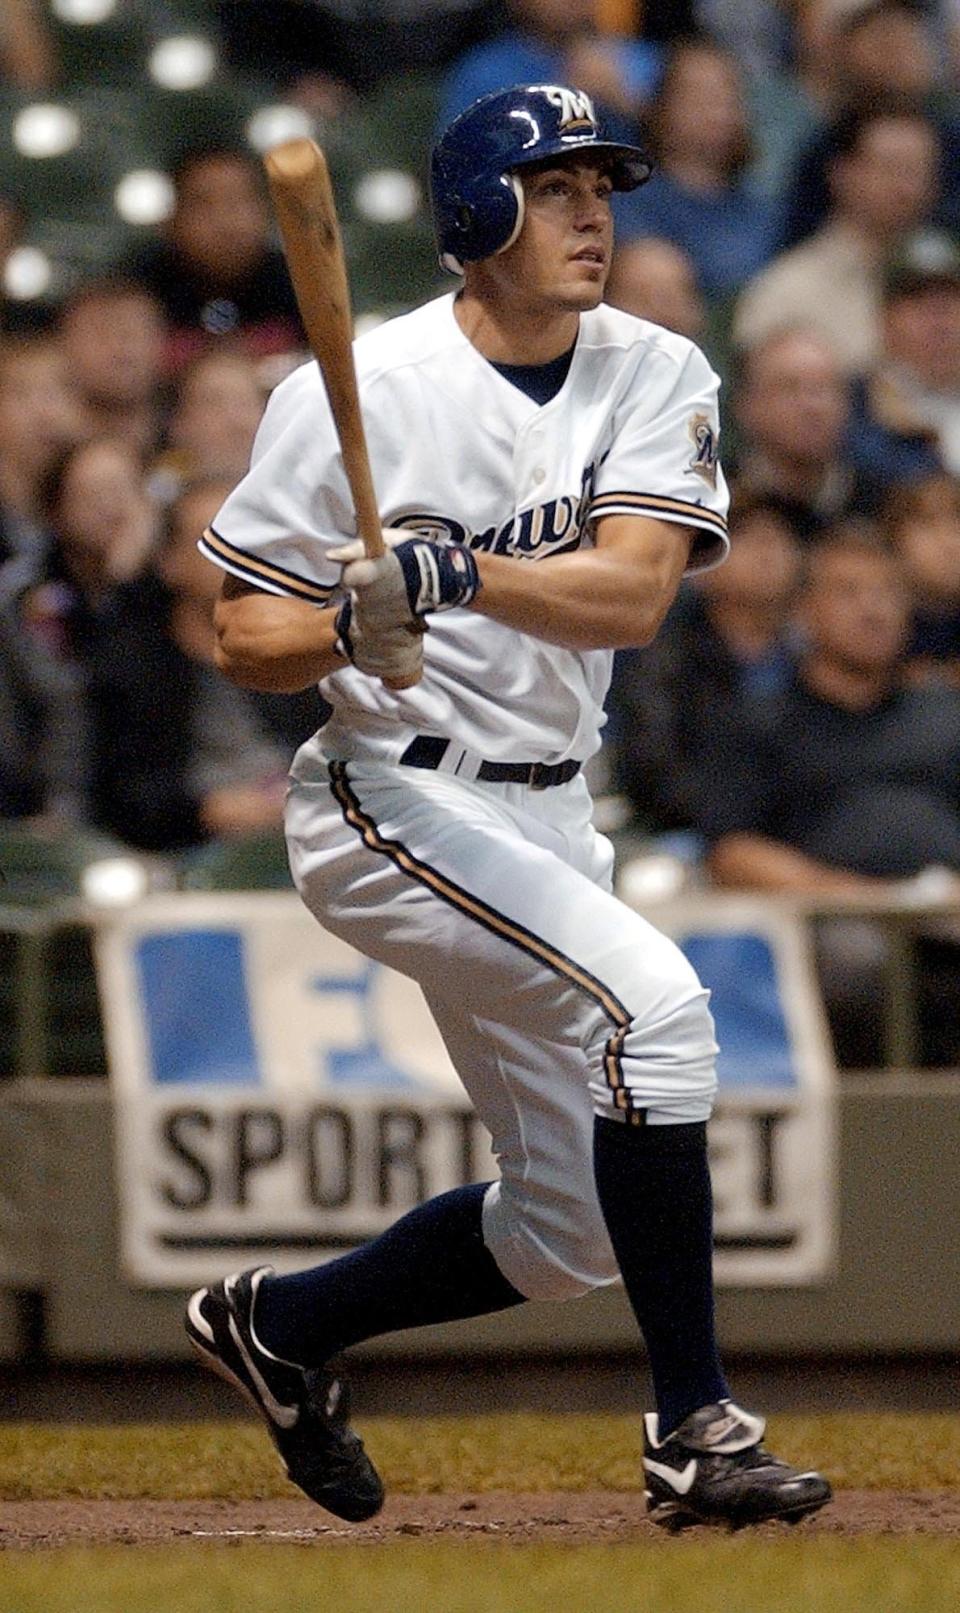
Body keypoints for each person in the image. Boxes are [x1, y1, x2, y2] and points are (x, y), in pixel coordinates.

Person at [184, 84, 831, 1533]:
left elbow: (636, 592)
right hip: (383, 801)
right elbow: (243, 633)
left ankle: (279, 1324)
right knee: (655, 1013)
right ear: (478, 214)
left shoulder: (657, 368)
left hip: (547, 817)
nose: (595, 211)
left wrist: (451, 577)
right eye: (555, 187)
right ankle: (697, 1431)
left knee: (570, 1233)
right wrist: (354, 631)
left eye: (606, 185)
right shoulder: (363, 384)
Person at [700, 523, 960, 1068]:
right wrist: (860, 898)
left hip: (949, 911)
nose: (874, 609)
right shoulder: (763, 723)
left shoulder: (945, 714)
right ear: (804, 612)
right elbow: (733, 853)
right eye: (849, 592)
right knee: (857, 958)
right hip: (831, 926)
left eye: (888, 592)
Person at [607, 489, 804, 837]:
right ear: (702, 566)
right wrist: (729, 822)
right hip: (689, 831)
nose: (768, 552)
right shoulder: (664, 659)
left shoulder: (814, 659)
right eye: (748, 538)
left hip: (798, 832)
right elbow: (650, 765)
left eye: (778, 539)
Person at [733, 103, 940, 374]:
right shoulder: (786, 291)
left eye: (917, 170)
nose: (905, 187)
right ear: (841, 174)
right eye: (890, 167)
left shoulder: (944, 272)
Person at [614, 39, 777, 301]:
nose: (717, 112)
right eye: (699, 97)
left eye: (728, 98)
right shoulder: (629, 202)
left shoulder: (763, 211)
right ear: (661, 107)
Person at [119, 147, 305, 377]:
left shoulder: (302, 283)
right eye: (203, 204)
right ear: (172, 216)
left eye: (238, 202)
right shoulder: (136, 285)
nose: (225, 222)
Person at [438, 1, 664, 144]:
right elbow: (458, 162)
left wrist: (622, 101)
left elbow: (684, 166)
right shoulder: (484, 70)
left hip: (642, 205)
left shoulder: (646, 60)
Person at [730, 326, 881, 537]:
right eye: (789, 388)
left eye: (824, 389)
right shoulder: (715, 501)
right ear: (747, 405)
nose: (812, 406)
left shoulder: (877, 507)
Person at [847, 228, 960, 485]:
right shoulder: (855, 408)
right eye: (920, 303)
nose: (939, 323)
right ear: (885, 320)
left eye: (950, 303)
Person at [57, 277, 167, 457]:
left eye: (132, 333)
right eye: (101, 334)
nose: (120, 350)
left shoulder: (193, 441)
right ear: (65, 346)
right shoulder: (39, 453)